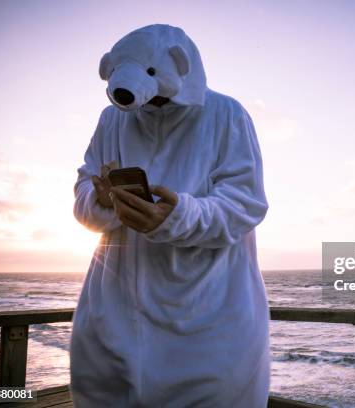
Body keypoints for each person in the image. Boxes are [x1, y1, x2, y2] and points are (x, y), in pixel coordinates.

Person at [70, 24, 270, 407]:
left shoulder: (226, 114)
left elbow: (245, 203)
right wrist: (103, 200)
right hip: (112, 314)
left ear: (181, 70)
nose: (147, 107)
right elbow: (82, 191)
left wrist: (177, 215)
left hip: (208, 315)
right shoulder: (112, 120)